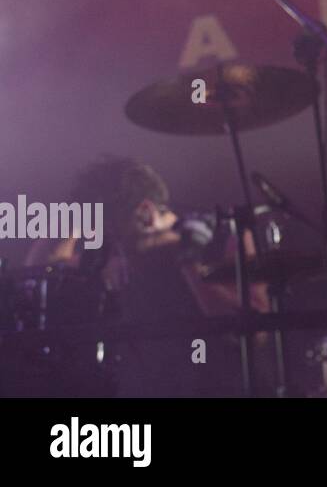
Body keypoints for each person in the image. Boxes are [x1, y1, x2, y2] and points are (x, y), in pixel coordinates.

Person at [23, 156, 264, 396]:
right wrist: (78, 212)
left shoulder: (225, 238)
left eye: (115, 232)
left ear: (146, 213)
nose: (112, 242)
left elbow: (257, 332)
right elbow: (42, 269)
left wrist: (189, 263)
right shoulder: (118, 256)